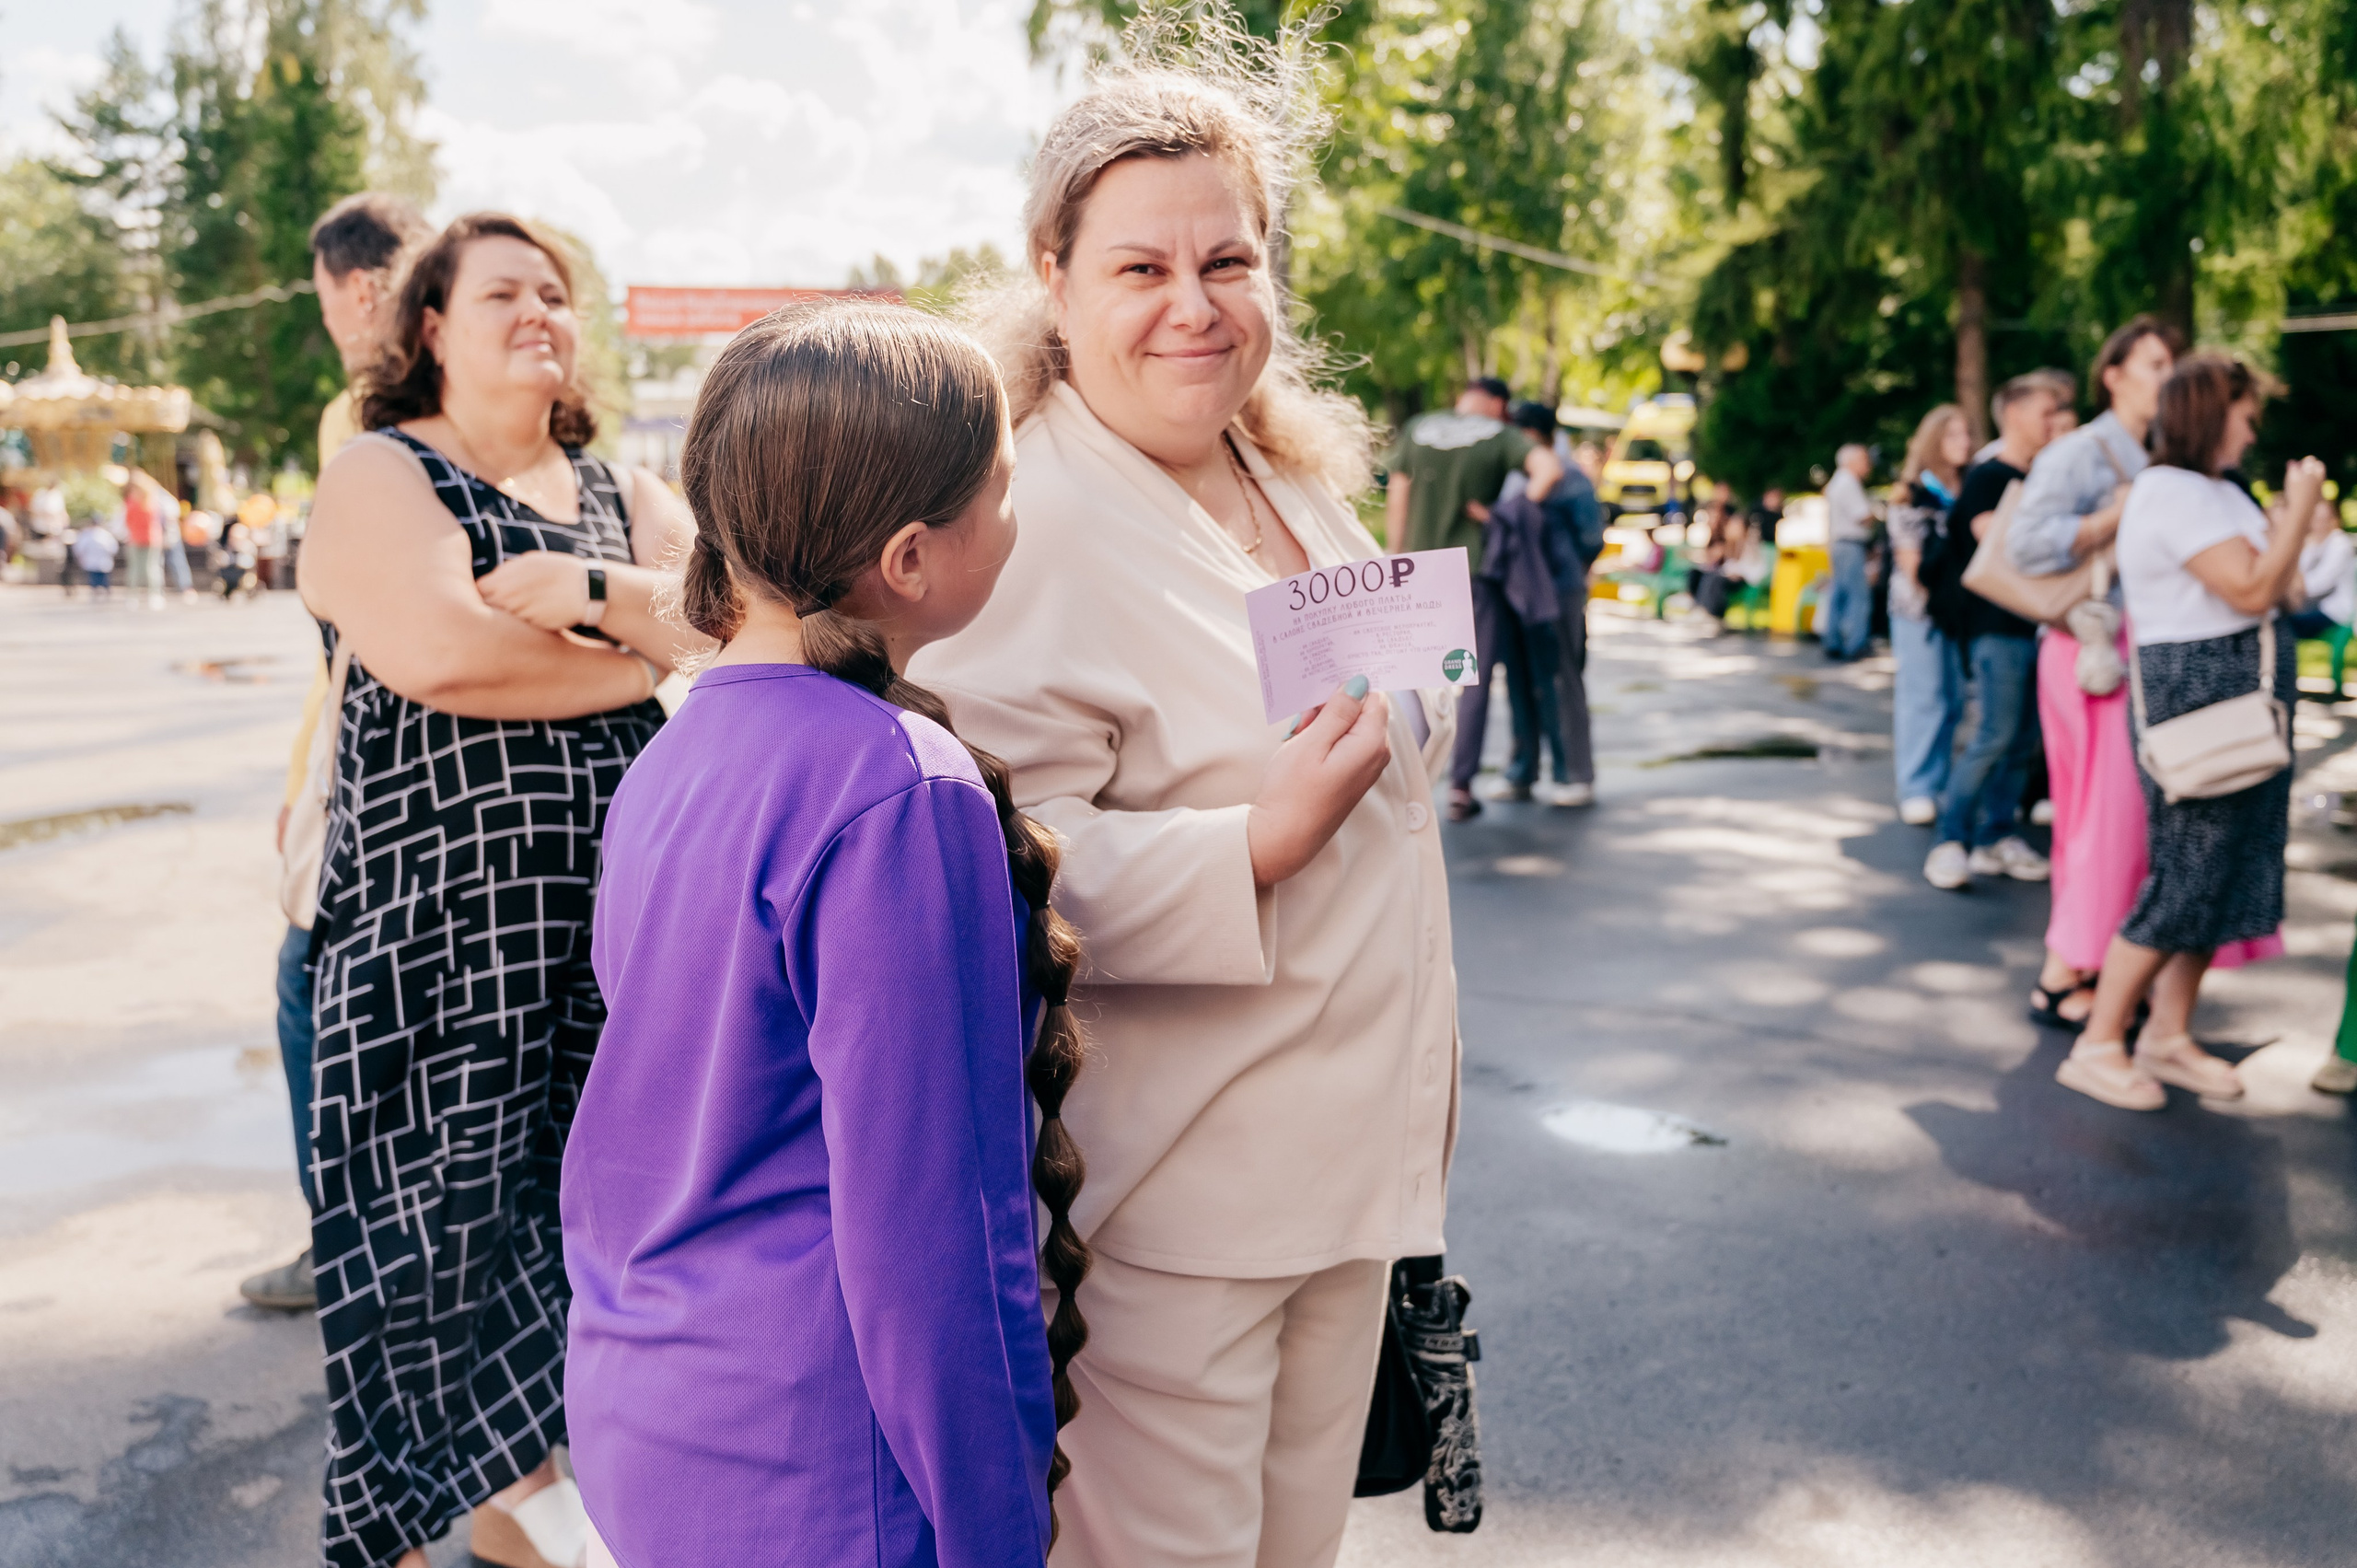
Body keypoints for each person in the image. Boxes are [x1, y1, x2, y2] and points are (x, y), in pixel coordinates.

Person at [916, 43, 1460, 1568]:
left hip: (1350, 1170)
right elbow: (990, 853)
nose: (1195, 303)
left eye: (1230, 258)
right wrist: (1256, 840)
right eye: (1142, 264)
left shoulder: (1288, 478)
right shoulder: (1027, 520)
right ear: (1053, 274)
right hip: (1179, 1207)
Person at [564, 301, 1082, 1568]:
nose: (1017, 516)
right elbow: (933, 1244)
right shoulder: (901, 788)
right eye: (1003, 486)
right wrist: (999, 1531)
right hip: (828, 1464)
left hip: (652, 1413)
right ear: (911, 557)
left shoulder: (673, 755)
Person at [296, 213, 706, 1568]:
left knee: (596, 1261)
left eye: (557, 292)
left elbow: (726, 615)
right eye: (503, 292)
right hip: (430, 953)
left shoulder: (623, 495)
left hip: (615, 957)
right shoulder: (380, 471)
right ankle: (430, 1534)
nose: (539, 310)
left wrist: (593, 590)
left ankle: (531, 1513)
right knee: (432, 1270)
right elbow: (441, 652)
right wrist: (633, 654)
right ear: (430, 328)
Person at [240, 191, 433, 1317]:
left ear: (359, 289)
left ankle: (345, 1242)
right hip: (386, 753)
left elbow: (354, 633)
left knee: (313, 982)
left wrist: (314, 782)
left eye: (323, 300)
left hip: (380, 760)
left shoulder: (360, 412)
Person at [2057, 357, 2325, 1109]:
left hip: (2243, 695)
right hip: (2200, 694)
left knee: (2225, 874)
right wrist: (2298, 511)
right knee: (2185, 876)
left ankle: (2167, 1035)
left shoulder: (2215, 491)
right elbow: (2250, 586)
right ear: (2212, 412)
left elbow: (2287, 584)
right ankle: (2099, 1042)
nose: (2253, 426)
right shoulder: (2171, 491)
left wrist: (2287, 535)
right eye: (2244, 412)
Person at [1919, 378, 2061, 889]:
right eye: (2047, 412)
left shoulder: (2033, 477)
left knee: (2022, 738)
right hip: (1995, 626)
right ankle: (1951, 839)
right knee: (1995, 734)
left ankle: (1996, 836)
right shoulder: (1990, 478)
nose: (2054, 422)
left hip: (2032, 624)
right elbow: (2005, 548)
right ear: (2017, 413)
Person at [1386, 375, 1537, 819]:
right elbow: (1549, 471)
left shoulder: (1419, 428)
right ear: (1495, 403)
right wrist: (1504, 517)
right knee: (1470, 678)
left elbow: (1398, 489)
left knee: (1409, 677)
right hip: (1471, 574)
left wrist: (1395, 554)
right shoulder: (1500, 435)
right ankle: (1460, 788)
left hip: (1414, 573)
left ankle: (1402, 784)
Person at [1471, 401, 1585, 805]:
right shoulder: (1507, 479)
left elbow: (1590, 538)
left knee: (1560, 680)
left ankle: (1573, 774)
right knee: (1518, 681)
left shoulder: (1569, 478)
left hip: (1557, 591)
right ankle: (1523, 770)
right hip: (1513, 593)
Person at [1885, 406, 1969, 825]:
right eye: (1952, 435)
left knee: (1953, 700)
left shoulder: (1970, 487)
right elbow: (1910, 562)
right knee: (1925, 697)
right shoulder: (1912, 494)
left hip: (1958, 609)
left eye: (1966, 434)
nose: (1963, 442)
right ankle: (1916, 785)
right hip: (1919, 610)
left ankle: (1939, 783)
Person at [1822, 443, 1875, 659]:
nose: (1868, 465)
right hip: (1850, 544)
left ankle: (1833, 640)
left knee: (1839, 593)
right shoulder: (1848, 483)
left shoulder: (1837, 482)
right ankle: (1856, 644)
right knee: (1857, 595)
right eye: (1863, 459)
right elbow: (1862, 515)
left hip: (1839, 544)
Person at [122, 475, 163, 607]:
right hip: (149, 538)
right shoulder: (151, 502)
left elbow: (127, 521)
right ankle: (153, 595)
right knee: (150, 568)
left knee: (139, 568)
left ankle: (136, 596)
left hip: (139, 538)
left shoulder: (134, 503)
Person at [71, 516, 119, 598]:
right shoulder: (102, 535)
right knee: (97, 580)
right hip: (95, 562)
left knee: (101, 580)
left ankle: (101, 591)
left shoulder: (100, 534)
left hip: (101, 562)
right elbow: (113, 548)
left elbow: (79, 548)